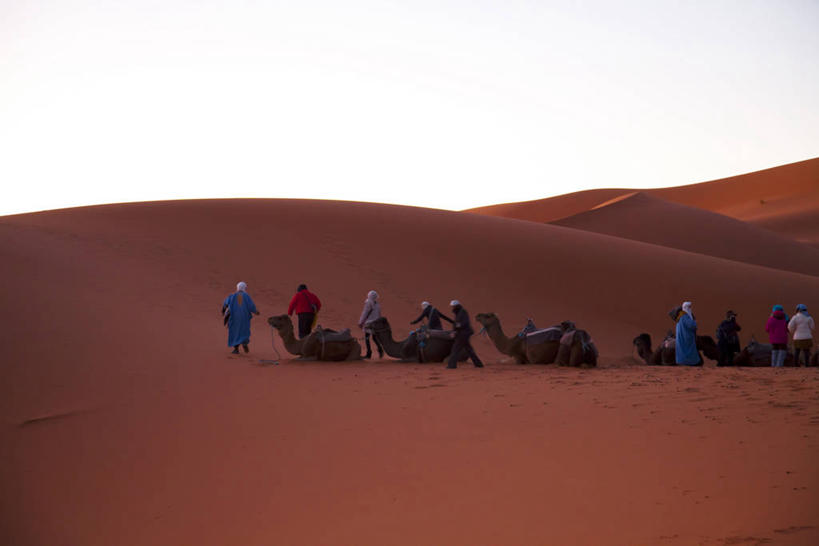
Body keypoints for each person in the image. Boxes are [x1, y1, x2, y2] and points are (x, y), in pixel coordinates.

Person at [222, 281, 260, 354]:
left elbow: (225, 304)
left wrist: (224, 312)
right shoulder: (246, 296)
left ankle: (236, 349)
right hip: (244, 318)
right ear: (244, 288)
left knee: (234, 332)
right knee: (244, 331)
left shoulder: (232, 296)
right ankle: (244, 342)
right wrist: (256, 311)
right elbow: (251, 306)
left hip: (234, 318)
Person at [446, 300, 484, 369]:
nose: (452, 308)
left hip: (463, 334)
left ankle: (451, 365)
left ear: (456, 306)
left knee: (455, 349)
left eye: (453, 306)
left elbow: (465, 323)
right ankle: (478, 364)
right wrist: (454, 330)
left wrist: (456, 328)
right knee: (469, 350)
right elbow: (457, 324)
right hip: (462, 334)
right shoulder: (458, 313)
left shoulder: (463, 312)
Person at [358, 290, 384, 359]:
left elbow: (365, 313)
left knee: (367, 338)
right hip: (375, 323)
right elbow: (379, 314)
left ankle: (369, 353)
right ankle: (380, 349)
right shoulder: (377, 304)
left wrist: (360, 322)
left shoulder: (368, 303)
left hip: (369, 324)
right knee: (374, 338)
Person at [675, 301, 700, 366]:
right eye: (689, 307)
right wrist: (695, 322)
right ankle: (688, 362)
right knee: (687, 350)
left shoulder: (680, 316)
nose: (690, 308)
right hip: (686, 336)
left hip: (682, 336)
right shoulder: (685, 316)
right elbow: (691, 325)